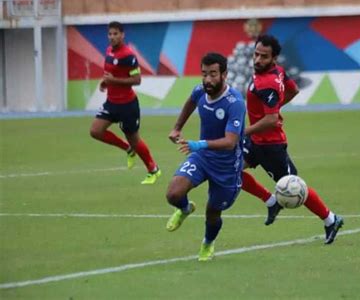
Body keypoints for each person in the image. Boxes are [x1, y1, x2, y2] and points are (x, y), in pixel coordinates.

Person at [241, 34, 344, 245]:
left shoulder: (267, 81)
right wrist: (274, 111)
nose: (258, 60)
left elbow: (270, 120)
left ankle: (331, 219)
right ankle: (271, 201)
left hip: (271, 146)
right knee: (228, 170)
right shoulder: (276, 72)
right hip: (256, 141)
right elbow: (293, 90)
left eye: (264, 56)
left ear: (274, 58)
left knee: (294, 187)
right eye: (256, 54)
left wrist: (246, 131)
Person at [165, 52, 246, 261]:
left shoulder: (234, 102)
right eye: (204, 74)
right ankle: (184, 208)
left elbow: (230, 142)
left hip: (227, 167)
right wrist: (177, 128)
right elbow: (191, 102)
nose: (208, 79)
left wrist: (198, 144)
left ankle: (207, 243)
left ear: (224, 74)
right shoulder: (200, 90)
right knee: (173, 193)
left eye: (213, 74)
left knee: (212, 212)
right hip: (202, 157)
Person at [89, 21, 160, 184]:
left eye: (115, 34)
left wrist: (114, 80)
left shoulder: (128, 55)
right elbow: (110, 73)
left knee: (134, 139)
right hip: (111, 103)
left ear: (122, 35)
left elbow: (137, 80)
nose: (112, 37)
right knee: (95, 131)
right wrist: (105, 82)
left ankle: (153, 169)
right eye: (110, 34)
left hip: (128, 105)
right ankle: (127, 149)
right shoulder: (108, 51)